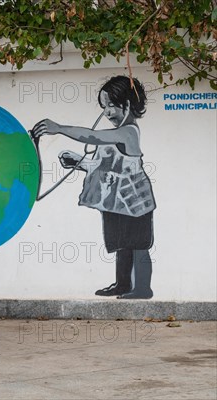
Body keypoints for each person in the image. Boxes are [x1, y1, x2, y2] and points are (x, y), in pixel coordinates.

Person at [32, 76, 156, 299]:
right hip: (117, 201)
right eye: (104, 106)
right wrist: (80, 162)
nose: (107, 112)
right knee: (121, 244)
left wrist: (59, 128)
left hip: (134, 199)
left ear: (127, 104)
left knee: (138, 244)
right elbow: (108, 166)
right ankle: (123, 284)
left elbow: (93, 136)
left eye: (111, 105)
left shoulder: (128, 132)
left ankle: (142, 288)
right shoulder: (117, 133)